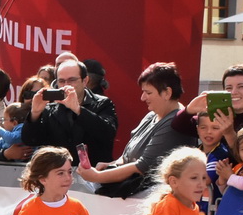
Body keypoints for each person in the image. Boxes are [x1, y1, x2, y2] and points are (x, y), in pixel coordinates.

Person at [78, 62, 188, 198]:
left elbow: (142, 166)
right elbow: (128, 156)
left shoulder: (175, 122)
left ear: (167, 92)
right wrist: (110, 165)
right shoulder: (151, 115)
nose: (143, 98)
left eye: (148, 92)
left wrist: (98, 176)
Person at [18, 58, 119, 164]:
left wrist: (78, 110)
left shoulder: (102, 103)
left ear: (85, 81)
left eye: (72, 80)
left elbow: (108, 133)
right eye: (61, 81)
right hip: (59, 173)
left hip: (93, 173)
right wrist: (35, 114)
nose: (66, 85)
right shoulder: (50, 108)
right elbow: (30, 140)